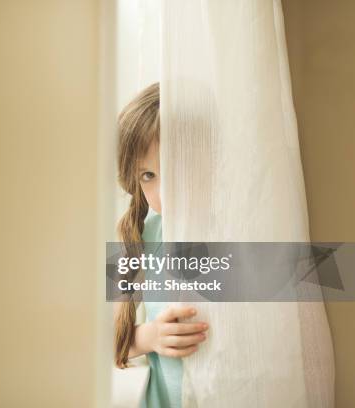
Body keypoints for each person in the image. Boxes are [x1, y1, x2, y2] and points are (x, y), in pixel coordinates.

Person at [113, 82, 209, 408]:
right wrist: (149, 337)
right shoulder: (136, 237)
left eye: (174, 168)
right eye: (148, 175)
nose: (164, 193)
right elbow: (105, 340)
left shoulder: (236, 229)